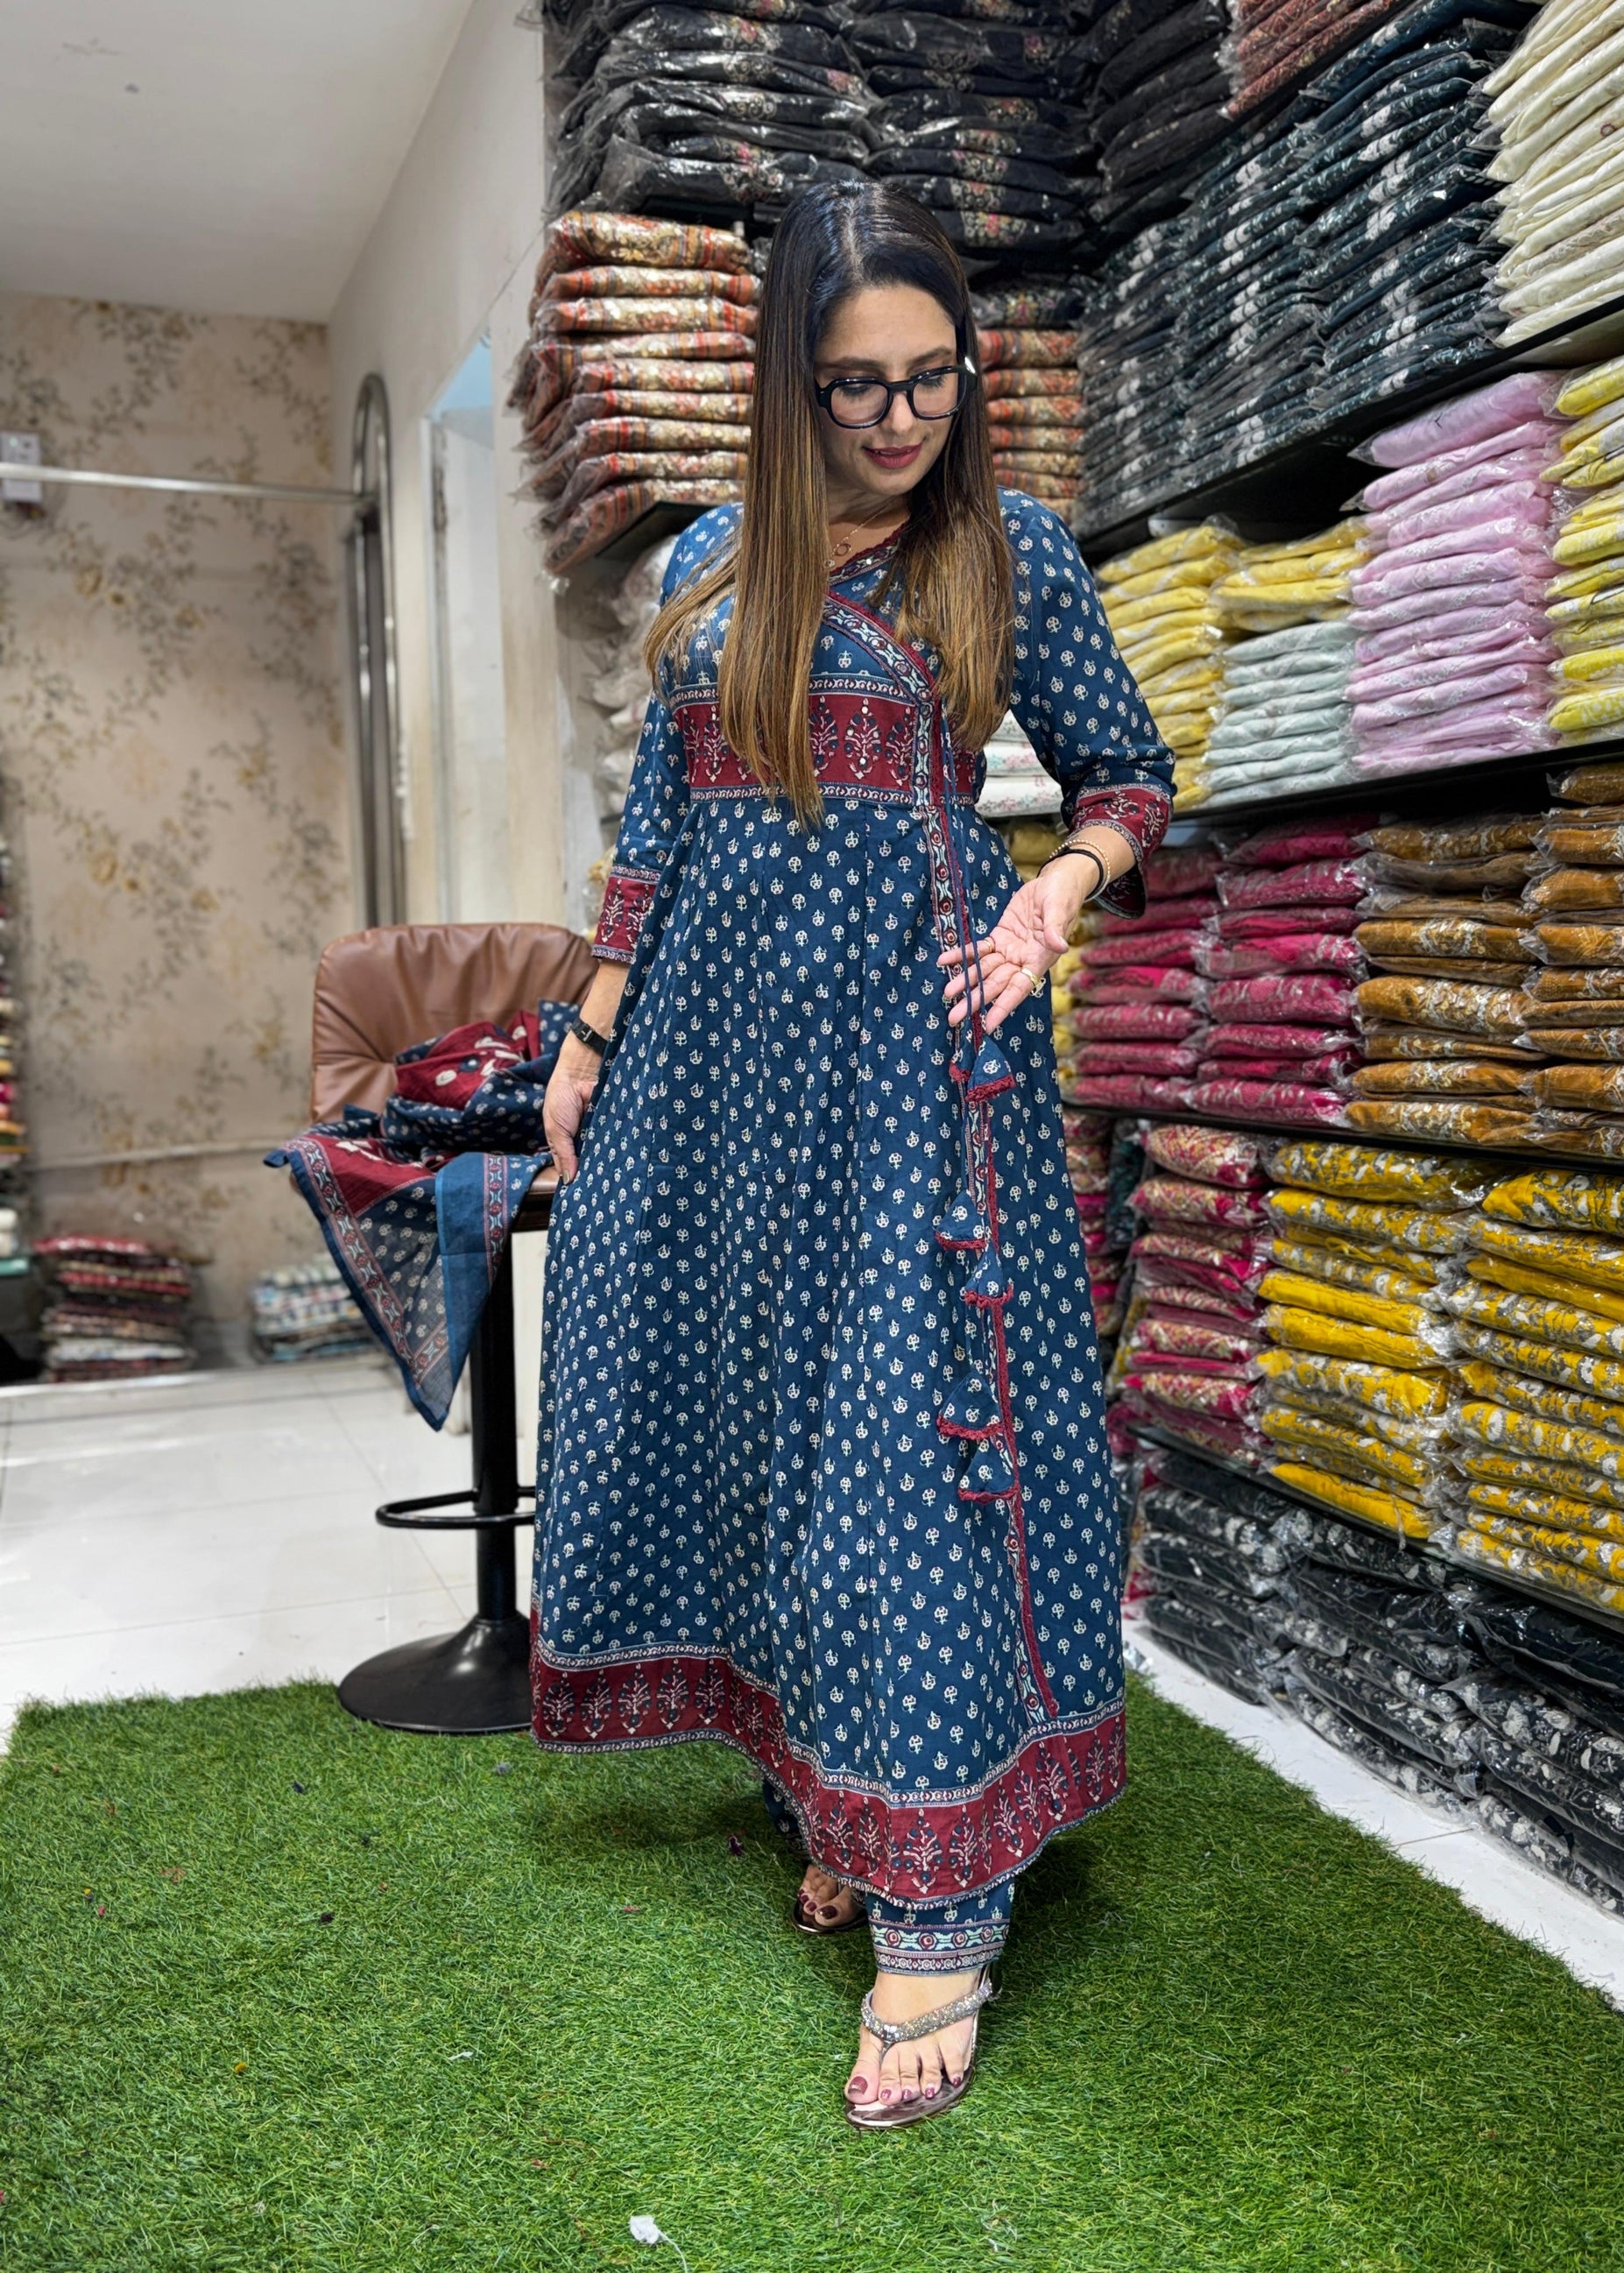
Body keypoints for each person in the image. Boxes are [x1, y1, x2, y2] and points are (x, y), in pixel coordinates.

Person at [529, 179, 1172, 2128]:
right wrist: (588, 1031)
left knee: (902, 1449)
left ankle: (942, 1895)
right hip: (721, 1064)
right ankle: (838, 1786)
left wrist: (1059, 888)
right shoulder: (714, 559)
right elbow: (655, 824)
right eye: (855, 386)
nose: (901, 420)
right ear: (787, 389)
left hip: (918, 1064)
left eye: (932, 378)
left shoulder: (1009, 551)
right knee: (760, 1421)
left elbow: (1129, 772)